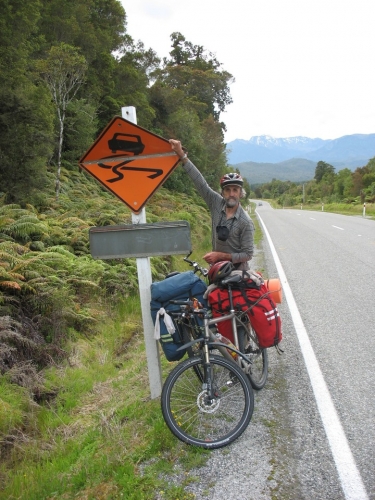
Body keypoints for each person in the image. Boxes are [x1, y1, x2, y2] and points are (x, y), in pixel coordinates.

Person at [169, 139, 254, 271]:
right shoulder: (216, 203)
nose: (231, 194)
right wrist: (182, 155)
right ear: (223, 192)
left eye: (235, 190)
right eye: (227, 190)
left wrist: (220, 256)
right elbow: (200, 183)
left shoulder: (245, 221)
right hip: (217, 271)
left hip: (238, 274)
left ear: (241, 193)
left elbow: (248, 254)